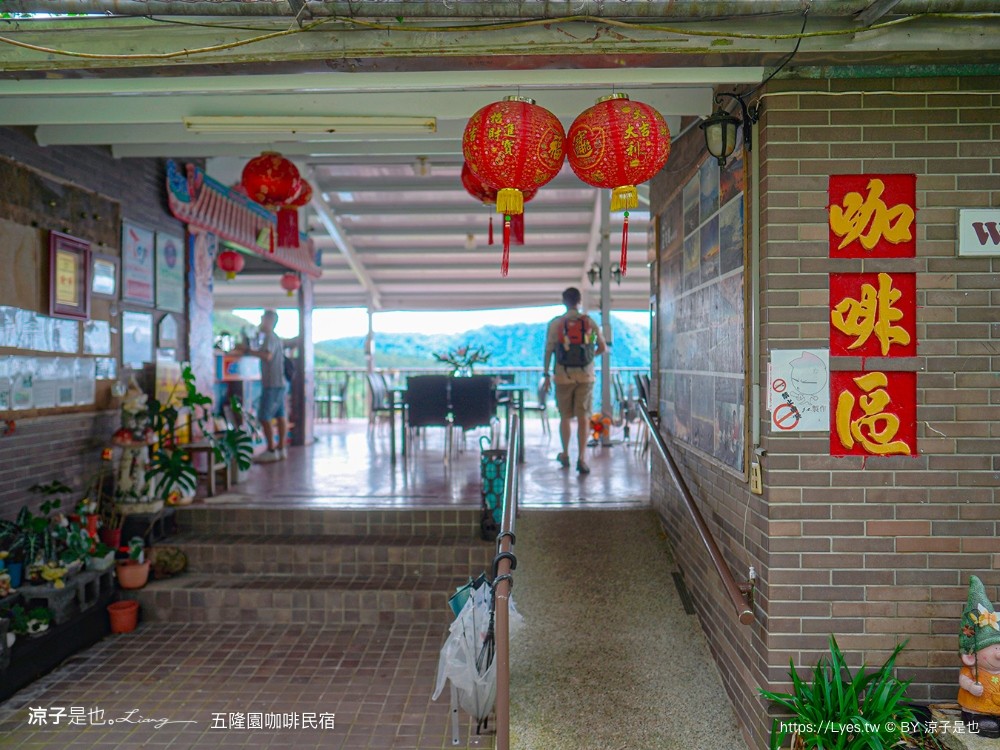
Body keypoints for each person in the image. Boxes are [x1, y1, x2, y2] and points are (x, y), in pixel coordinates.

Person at [543, 287, 607, 474]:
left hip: (562, 376)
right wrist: (588, 358)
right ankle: (582, 458)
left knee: (565, 417)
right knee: (583, 417)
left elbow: (548, 351)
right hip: (585, 377)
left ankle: (565, 454)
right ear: (579, 301)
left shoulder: (556, 324)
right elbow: (601, 347)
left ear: (564, 302)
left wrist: (546, 374)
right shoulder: (589, 322)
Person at [237, 309, 288, 463]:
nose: (261, 322)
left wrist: (247, 350)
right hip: (279, 382)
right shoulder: (275, 338)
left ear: (269, 321)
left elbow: (267, 356)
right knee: (280, 415)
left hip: (272, 383)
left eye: (263, 319)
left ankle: (271, 449)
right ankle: (281, 449)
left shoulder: (270, 337)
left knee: (264, 417)